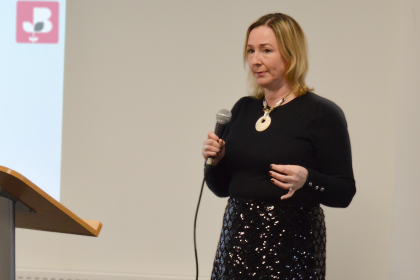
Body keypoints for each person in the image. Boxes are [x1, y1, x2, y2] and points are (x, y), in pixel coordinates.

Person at [202, 13, 356, 280]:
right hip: (236, 245)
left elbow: (344, 193)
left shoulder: (321, 113)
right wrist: (215, 162)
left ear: (290, 54)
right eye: (250, 50)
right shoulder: (242, 109)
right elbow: (222, 188)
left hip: (291, 251)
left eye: (266, 50)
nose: (255, 60)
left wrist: (308, 179)